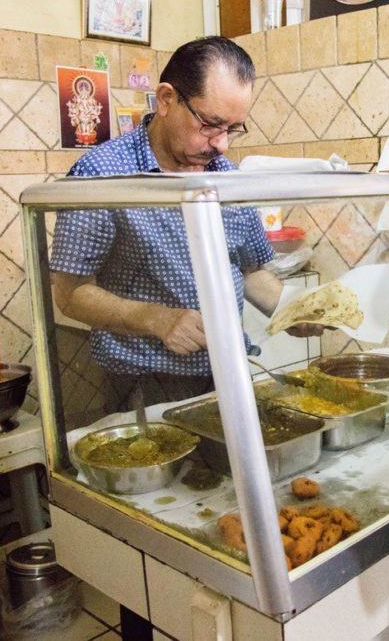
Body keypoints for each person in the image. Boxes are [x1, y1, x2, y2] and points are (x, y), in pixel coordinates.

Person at [50, 36, 323, 414]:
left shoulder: (226, 177)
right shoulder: (103, 174)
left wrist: (296, 311)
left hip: (225, 371)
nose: (223, 144)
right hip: (140, 381)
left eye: (234, 128)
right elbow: (68, 293)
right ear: (165, 99)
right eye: (211, 125)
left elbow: (250, 271)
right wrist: (157, 319)